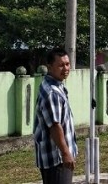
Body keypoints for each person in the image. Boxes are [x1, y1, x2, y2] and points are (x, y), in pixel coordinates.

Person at [34, 48, 77, 184]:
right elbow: (54, 125)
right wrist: (65, 153)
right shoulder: (52, 92)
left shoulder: (55, 85)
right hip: (56, 158)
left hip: (56, 156)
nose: (65, 68)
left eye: (67, 64)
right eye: (61, 65)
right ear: (50, 66)